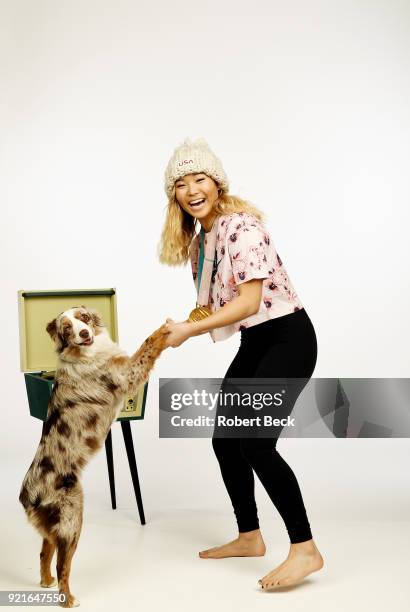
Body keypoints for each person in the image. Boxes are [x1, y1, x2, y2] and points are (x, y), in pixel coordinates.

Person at [158, 138, 324, 590]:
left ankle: (305, 549)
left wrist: (189, 331)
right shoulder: (202, 244)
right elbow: (219, 306)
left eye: (201, 178)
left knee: (255, 442)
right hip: (257, 340)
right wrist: (182, 325)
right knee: (225, 439)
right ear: (173, 195)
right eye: (181, 183)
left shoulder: (242, 228)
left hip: (288, 338)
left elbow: (250, 301)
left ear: (217, 183)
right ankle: (249, 536)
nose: (192, 189)